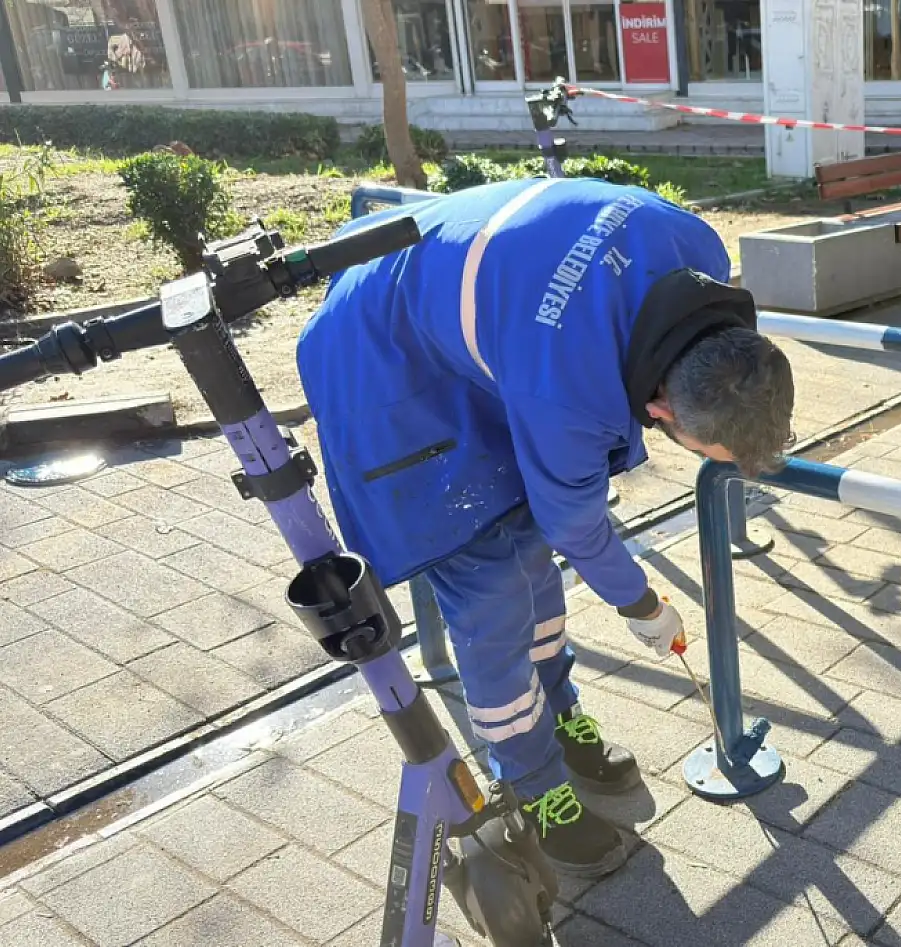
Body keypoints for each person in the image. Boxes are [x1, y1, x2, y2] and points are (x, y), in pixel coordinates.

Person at [296, 176, 797, 878]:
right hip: (384, 359)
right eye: (708, 454)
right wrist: (643, 606)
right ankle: (534, 785)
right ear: (660, 411)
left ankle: (559, 713)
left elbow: (557, 518)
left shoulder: (696, 249)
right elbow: (576, 522)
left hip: (487, 322)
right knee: (492, 588)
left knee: (533, 561)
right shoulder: (569, 390)